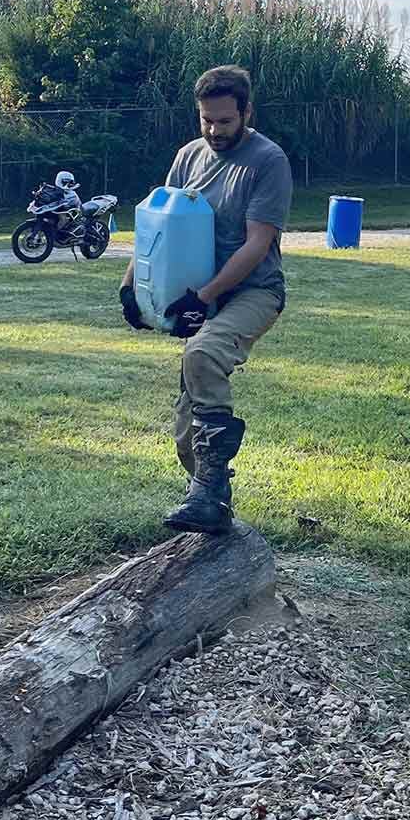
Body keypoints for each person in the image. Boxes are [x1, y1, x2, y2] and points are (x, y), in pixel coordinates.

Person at [118, 65, 293, 534]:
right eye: (206, 121)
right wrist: (132, 285)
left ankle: (210, 489)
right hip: (203, 295)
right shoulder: (188, 157)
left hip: (254, 291)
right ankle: (211, 498)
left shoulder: (268, 161)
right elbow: (156, 224)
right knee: (184, 438)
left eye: (225, 122)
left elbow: (257, 243)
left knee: (203, 351)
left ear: (246, 112)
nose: (214, 131)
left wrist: (206, 295)